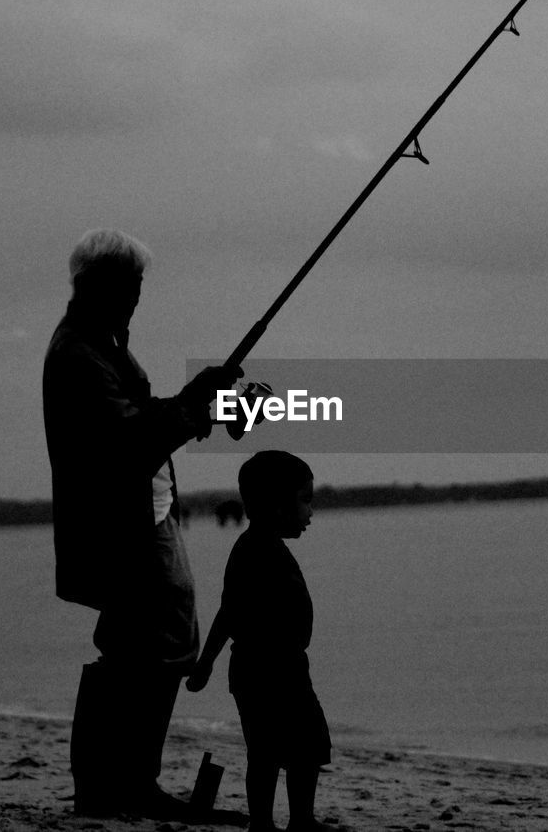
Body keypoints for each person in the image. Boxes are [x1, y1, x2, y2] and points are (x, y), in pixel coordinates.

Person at [42, 228, 240, 820]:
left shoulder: (100, 344)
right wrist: (192, 404)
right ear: (97, 285)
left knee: (147, 647)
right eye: (129, 287)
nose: (136, 298)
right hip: (124, 526)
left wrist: (196, 403)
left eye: (139, 287)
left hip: (142, 513)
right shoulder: (80, 354)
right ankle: (121, 786)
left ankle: (118, 784)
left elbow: (138, 421)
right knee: (145, 651)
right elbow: (126, 440)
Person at [187, 451, 338, 832]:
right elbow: (228, 612)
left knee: (305, 747)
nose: (310, 512)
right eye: (305, 500)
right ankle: (265, 823)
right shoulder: (253, 550)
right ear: (276, 507)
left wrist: (207, 664)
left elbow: (229, 612)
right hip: (265, 669)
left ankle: (299, 820)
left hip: (284, 666)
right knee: (270, 752)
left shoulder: (266, 546)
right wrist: (206, 663)